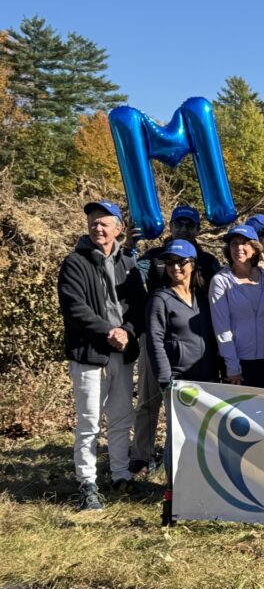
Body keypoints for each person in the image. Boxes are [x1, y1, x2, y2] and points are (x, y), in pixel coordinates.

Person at [57, 200, 147, 511]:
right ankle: (88, 483)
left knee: (122, 416)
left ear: (119, 229)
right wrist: (108, 331)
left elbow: (138, 307)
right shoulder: (75, 263)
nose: (98, 226)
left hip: (121, 352)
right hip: (89, 352)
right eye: (93, 221)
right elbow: (73, 307)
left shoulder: (128, 265)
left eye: (104, 222)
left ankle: (121, 475)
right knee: (89, 420)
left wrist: (126, 331)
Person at [130, 205, 221, 475]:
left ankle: (195, 463)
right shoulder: (155, 256)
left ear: (197, 229)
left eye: (189, 225)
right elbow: (133, 277)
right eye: (178, 224)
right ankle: (142, 456)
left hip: (194, 338)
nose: (183, 229)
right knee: (149, 399)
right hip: (157, 334)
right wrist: (128, 251)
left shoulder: (206, 261)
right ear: (170, 227)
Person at [209, 223, 264, 389]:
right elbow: (221, 329)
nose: (239, 247)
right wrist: (232, 366)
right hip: (239, 364)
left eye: (245, 243)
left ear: (255, 248)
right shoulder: (220, 281)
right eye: (234, 243)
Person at [146, 240, 218, 389]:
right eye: (170, 262)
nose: (175, 267)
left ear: (193, 264)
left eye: (181, 261)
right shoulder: (160, 299)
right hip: (179, 382)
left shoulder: (204, 297)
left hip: (210, 379)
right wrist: (165, 379)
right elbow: (155, 341)